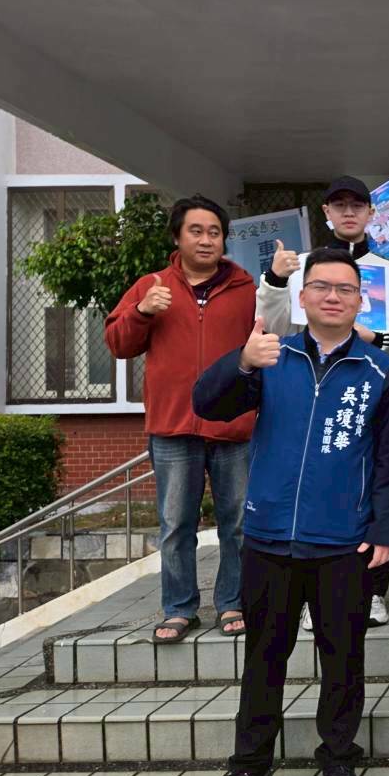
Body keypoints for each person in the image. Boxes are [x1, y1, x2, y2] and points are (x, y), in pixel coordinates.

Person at [196, 247, 389, 776]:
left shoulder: (380, 369)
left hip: (344, 541)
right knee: (264, 656)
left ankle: (338, 759)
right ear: (303, 295)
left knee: (343, 658)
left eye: (345, 289)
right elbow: (207, 405)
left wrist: (385, 528)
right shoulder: (271, 354)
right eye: (321, 287)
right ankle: (250, 766)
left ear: (360, 301)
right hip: (268, 537)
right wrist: (241, 362)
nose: (332, 296)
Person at [257, 175, 389, 629]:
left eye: (357, 205)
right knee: (316, 485)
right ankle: (310, 596)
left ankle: (374, 590)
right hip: (310, 388)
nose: (348, 212)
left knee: (374, 483)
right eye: (339, 205)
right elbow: (275, 326)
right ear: (325, 212)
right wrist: (275, 279)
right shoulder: (302, 266)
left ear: (371, 213)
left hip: (372, 389)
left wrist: (371, 338)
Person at [104, 195, 256, 643]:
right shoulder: (150, 286)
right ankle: (179, 608)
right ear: (177, 237)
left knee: (238, 524)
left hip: (234, 426)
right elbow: (118, 344)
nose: (206, 240)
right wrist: (142, 311)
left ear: (224, 239)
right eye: (196, 231)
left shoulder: (247, 288)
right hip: (173, 426)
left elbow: (271, 340)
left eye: (215, 232)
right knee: (175, 526)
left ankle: (233, 602)